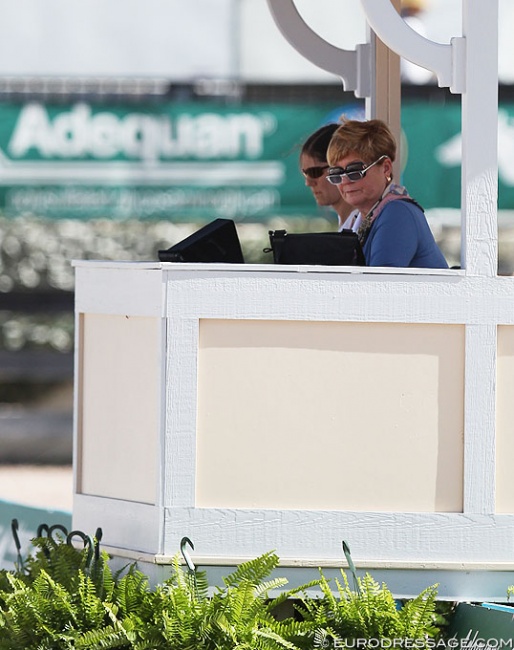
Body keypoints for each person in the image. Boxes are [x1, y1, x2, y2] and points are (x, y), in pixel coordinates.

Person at [326, 118, 448, 269]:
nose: (344, 181)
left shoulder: (398, 213)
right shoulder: (356, 220)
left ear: (385, 168)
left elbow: (380, 288)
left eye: (354, 171)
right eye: (336, 173)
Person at [300, 124, 361, 232]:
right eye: (305, 173)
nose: (308, 182)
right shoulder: (351, 223)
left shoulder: (363, 224)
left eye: (314, 172)